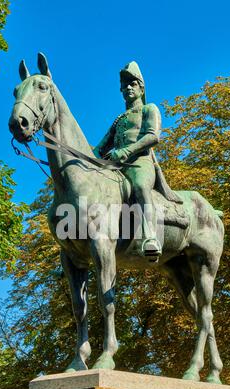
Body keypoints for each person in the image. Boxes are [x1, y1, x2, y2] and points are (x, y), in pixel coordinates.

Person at [93, 61, 163, 260]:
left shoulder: (149, 109)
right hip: (117, 167)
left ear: (141, 88)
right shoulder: (119, 119)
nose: (128, 88)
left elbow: (152, 136)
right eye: (124, 86)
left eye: (132, 84)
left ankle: (151, 237)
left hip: (139, 163)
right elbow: (99, 149)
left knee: (140, 186)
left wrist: (125, 151)